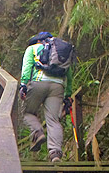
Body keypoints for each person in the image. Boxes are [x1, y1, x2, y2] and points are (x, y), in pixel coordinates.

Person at [19, 31, 74, 163]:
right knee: (54, 120)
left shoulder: (32, 48)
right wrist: (68, 95)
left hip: (38, 82)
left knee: (27, 112)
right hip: (58, 86)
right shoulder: (61, 53)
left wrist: (23, 85)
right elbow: (69, 74)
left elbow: (27, 67)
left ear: (38, 41)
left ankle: (37, 133)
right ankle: (55, 154)